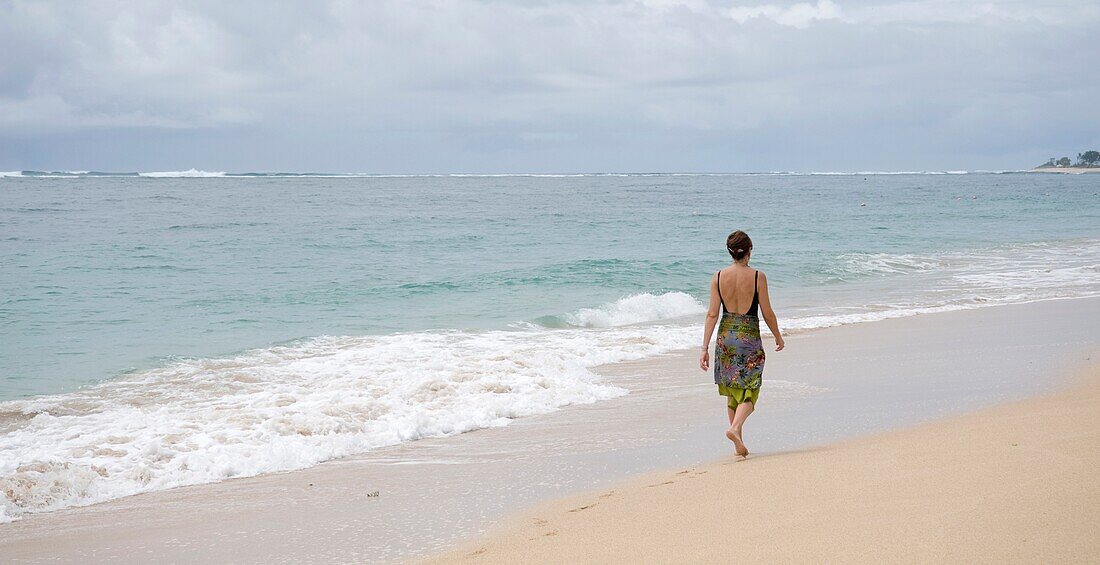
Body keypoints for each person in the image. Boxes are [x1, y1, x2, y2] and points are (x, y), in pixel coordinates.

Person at [699, 230, 784, 457]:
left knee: (732, 389)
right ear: (749, 251)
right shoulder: (758, 276)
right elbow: (767, 312)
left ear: (730, 252)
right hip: (748, 339)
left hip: (725, 337)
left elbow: (711, 315)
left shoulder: (718, 277)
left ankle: (738, 442)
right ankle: (735, 428)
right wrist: (777, 335)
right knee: (750, 389)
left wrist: (704, 347)